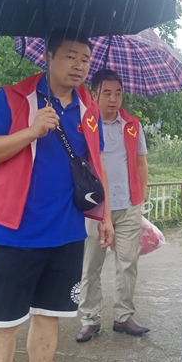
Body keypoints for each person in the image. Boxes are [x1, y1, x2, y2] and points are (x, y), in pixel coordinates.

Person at [0, 32, 114, 362]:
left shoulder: (87, 107)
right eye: (70, 55)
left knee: (49, 317)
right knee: (4, 323)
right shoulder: (13, 98)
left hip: (67, 231)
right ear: (48, 56)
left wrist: (104, 215)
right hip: (17, 232)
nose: (79, 65)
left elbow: (95, 164)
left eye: (85, 58)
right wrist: (32, 131)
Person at [76, 69, 150, 343]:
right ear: (93, 94)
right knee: (91, 265)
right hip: (94, 208)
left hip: (128, 205)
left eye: (118, 93)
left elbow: (141, 162)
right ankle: (90, 319)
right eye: (106, 93)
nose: (113, 99)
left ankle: (123, 316)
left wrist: (140, 199)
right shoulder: (84, 124)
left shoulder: (132, 125)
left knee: (128, 263)